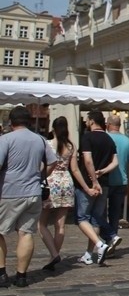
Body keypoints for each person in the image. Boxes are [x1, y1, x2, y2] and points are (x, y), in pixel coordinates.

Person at [0, 106, 57, 287]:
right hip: (33, 193)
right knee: (26, 233)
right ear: (29, 121)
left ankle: (1, 273)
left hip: (9, 192)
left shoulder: (6, 139)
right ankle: (21, 275)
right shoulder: (40, 140)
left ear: (11, 122)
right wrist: (41, 176)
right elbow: (53, 161)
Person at [72, 110, 119, 266]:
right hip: (104, 182)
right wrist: (102, 173)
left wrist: (93, 180)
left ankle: (100, 244)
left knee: (82, 217)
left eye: (87, 120)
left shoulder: (87, 137)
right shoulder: (109, 139)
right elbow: (115, 162)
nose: (86, 122)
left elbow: (88, 161)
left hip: (88, 183)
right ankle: (89, 254)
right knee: (95, 219)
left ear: (92, 121)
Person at [38, 116, 76, 272]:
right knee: (60, 225)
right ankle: (54, 255)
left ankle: (53, 254)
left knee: (41, 223)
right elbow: (74, 169)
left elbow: (42, 165)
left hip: (50, 181)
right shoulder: (70, 146)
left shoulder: (47, 144)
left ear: (53, 129)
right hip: (66, 182)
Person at [105, 114, 129, 252]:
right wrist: (128, 180)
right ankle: (113, 237)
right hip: (121, 181)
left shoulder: (106, 138)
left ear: (108, 124)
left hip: (106, 180)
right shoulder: (127, 140)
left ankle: (108, 238)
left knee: (99, 213)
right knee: (115, 214)